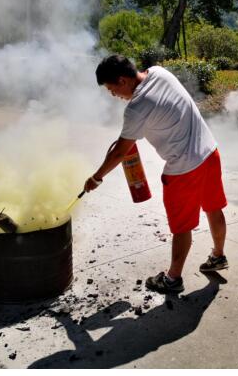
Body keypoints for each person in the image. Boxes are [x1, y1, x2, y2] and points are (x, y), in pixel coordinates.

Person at [84, 55, 229, 293]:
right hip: (209, 153)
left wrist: (96, 178)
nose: (114, 95)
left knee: (182, 227)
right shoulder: (160, 73)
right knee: (213, 207)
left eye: (112, 90)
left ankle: (173, 279)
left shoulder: (136, 108)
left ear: (122, 80)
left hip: (184, 170)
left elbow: (120, 151)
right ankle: (218, 256)